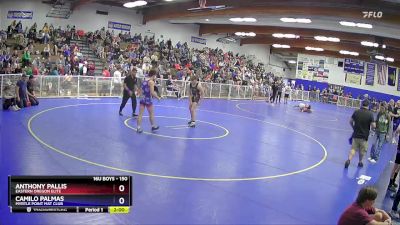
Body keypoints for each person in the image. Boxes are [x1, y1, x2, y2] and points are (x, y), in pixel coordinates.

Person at [345, 100, 376, 168]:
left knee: (353, 149)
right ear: (368, 105)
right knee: (362, 151)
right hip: (364, 136)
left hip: (356, 134)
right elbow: (373, 126)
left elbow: (350, 121)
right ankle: (360, 162)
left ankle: (348, 160)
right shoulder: (370, 114)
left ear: (362, 104)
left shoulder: (356, 111)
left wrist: (354, 128)